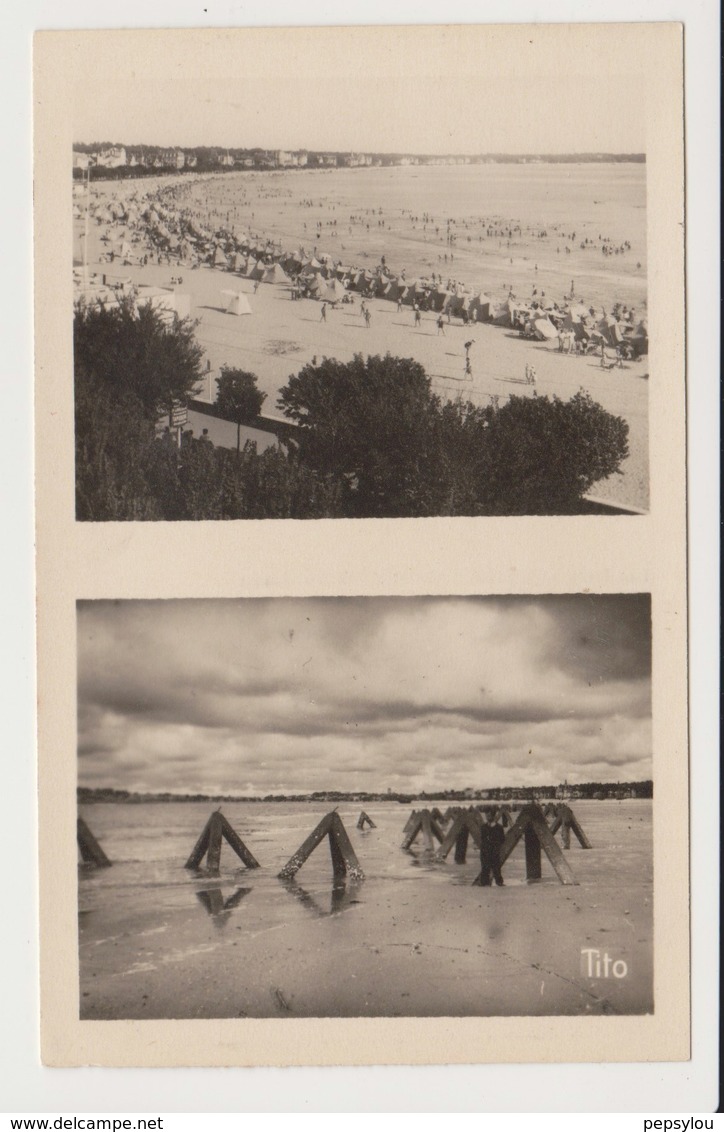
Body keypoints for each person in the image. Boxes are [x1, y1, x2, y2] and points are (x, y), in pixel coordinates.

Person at [478, 813, 505, 887]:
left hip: (494, 850)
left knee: (496, 867)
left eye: (489, 815)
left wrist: (496, 845)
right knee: (485, 867)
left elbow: (502, 839)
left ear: (493, 816)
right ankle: (484, 883)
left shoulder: (499, 827)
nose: (487, 817)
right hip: (485, 851)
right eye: (487, 815)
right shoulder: (483, 827)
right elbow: (482, 839)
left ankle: (499, 882)